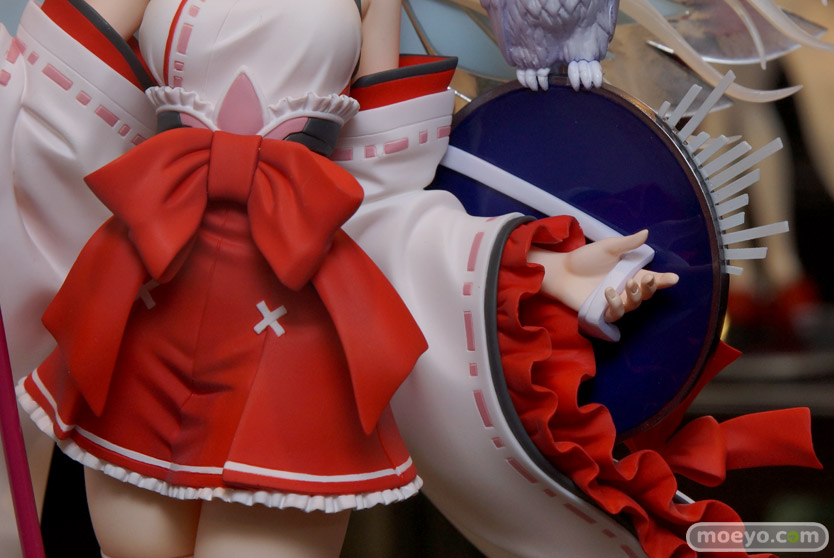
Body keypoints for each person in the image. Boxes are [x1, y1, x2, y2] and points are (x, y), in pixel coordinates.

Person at [6, 0, 673, 556]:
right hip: (152, 301)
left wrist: (529, 265)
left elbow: (381, 185)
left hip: (289, 319)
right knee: (135, 545)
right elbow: (45, 98)